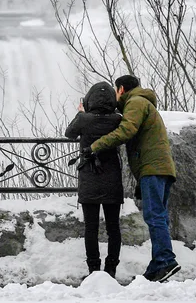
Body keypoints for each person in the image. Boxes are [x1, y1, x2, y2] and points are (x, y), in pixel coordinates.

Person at [86, 75, 180, 283]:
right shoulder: (143, 102)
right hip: (159, 168)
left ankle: (165, 260)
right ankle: (158, 265)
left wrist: (95, 146)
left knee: (155, 216)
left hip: (153, 168)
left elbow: (126, 129)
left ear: (121, 89)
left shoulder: (136, 102)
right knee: (159, 216)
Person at [65, 82, 124, 279]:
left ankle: (93, 270)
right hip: (112, 179)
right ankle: (111, 268)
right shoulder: (117, 119)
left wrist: (80, 113)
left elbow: (69, 133)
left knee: (91, 227)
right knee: (113, 227)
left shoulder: (84, 119)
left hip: (90, 178)